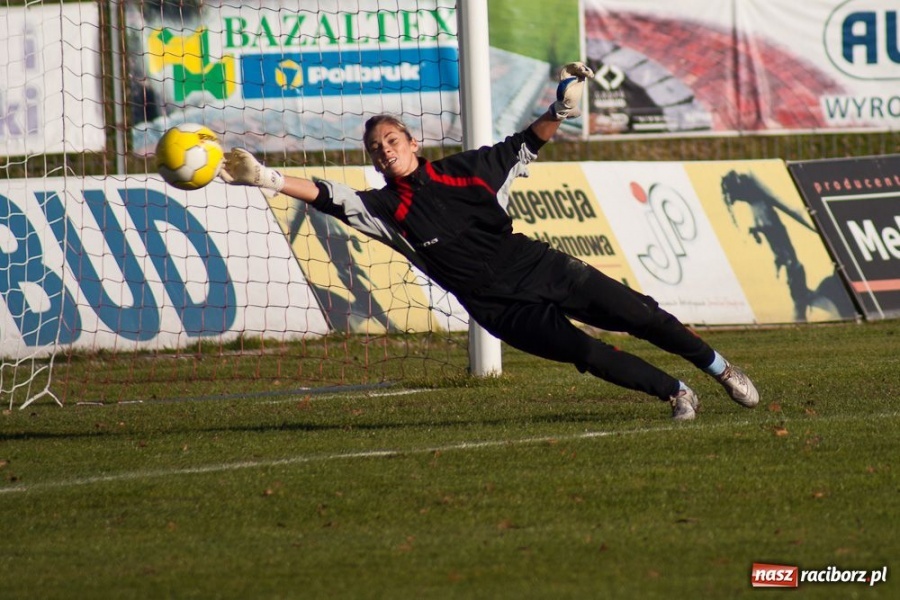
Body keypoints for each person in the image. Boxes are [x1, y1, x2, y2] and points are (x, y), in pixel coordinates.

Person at [218, 62, 759, 420]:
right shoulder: (384, 209)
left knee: (641, 315)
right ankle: (675, 395)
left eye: (391, 140)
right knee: (585, 352)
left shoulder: (465, 170)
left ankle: (721, 370)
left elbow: (523, 145)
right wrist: (267, 177)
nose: (384, 151)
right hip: (497, 308)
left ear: (412, 142)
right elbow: (328, 195)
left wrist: (559, 110)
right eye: (376, 148)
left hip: (542, 268)